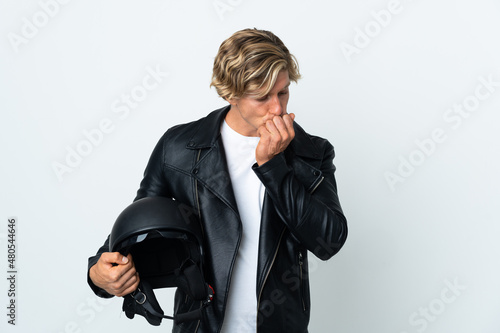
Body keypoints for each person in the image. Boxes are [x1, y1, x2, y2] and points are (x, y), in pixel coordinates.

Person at [88, 28, 347, 333]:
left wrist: (274, 167)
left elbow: (329, 241)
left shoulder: (311, 152)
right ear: (230, 94)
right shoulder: (179, 149)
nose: (277, 108)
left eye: (283, 92)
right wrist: (99, 274)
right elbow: (133, 232)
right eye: (262, 96)